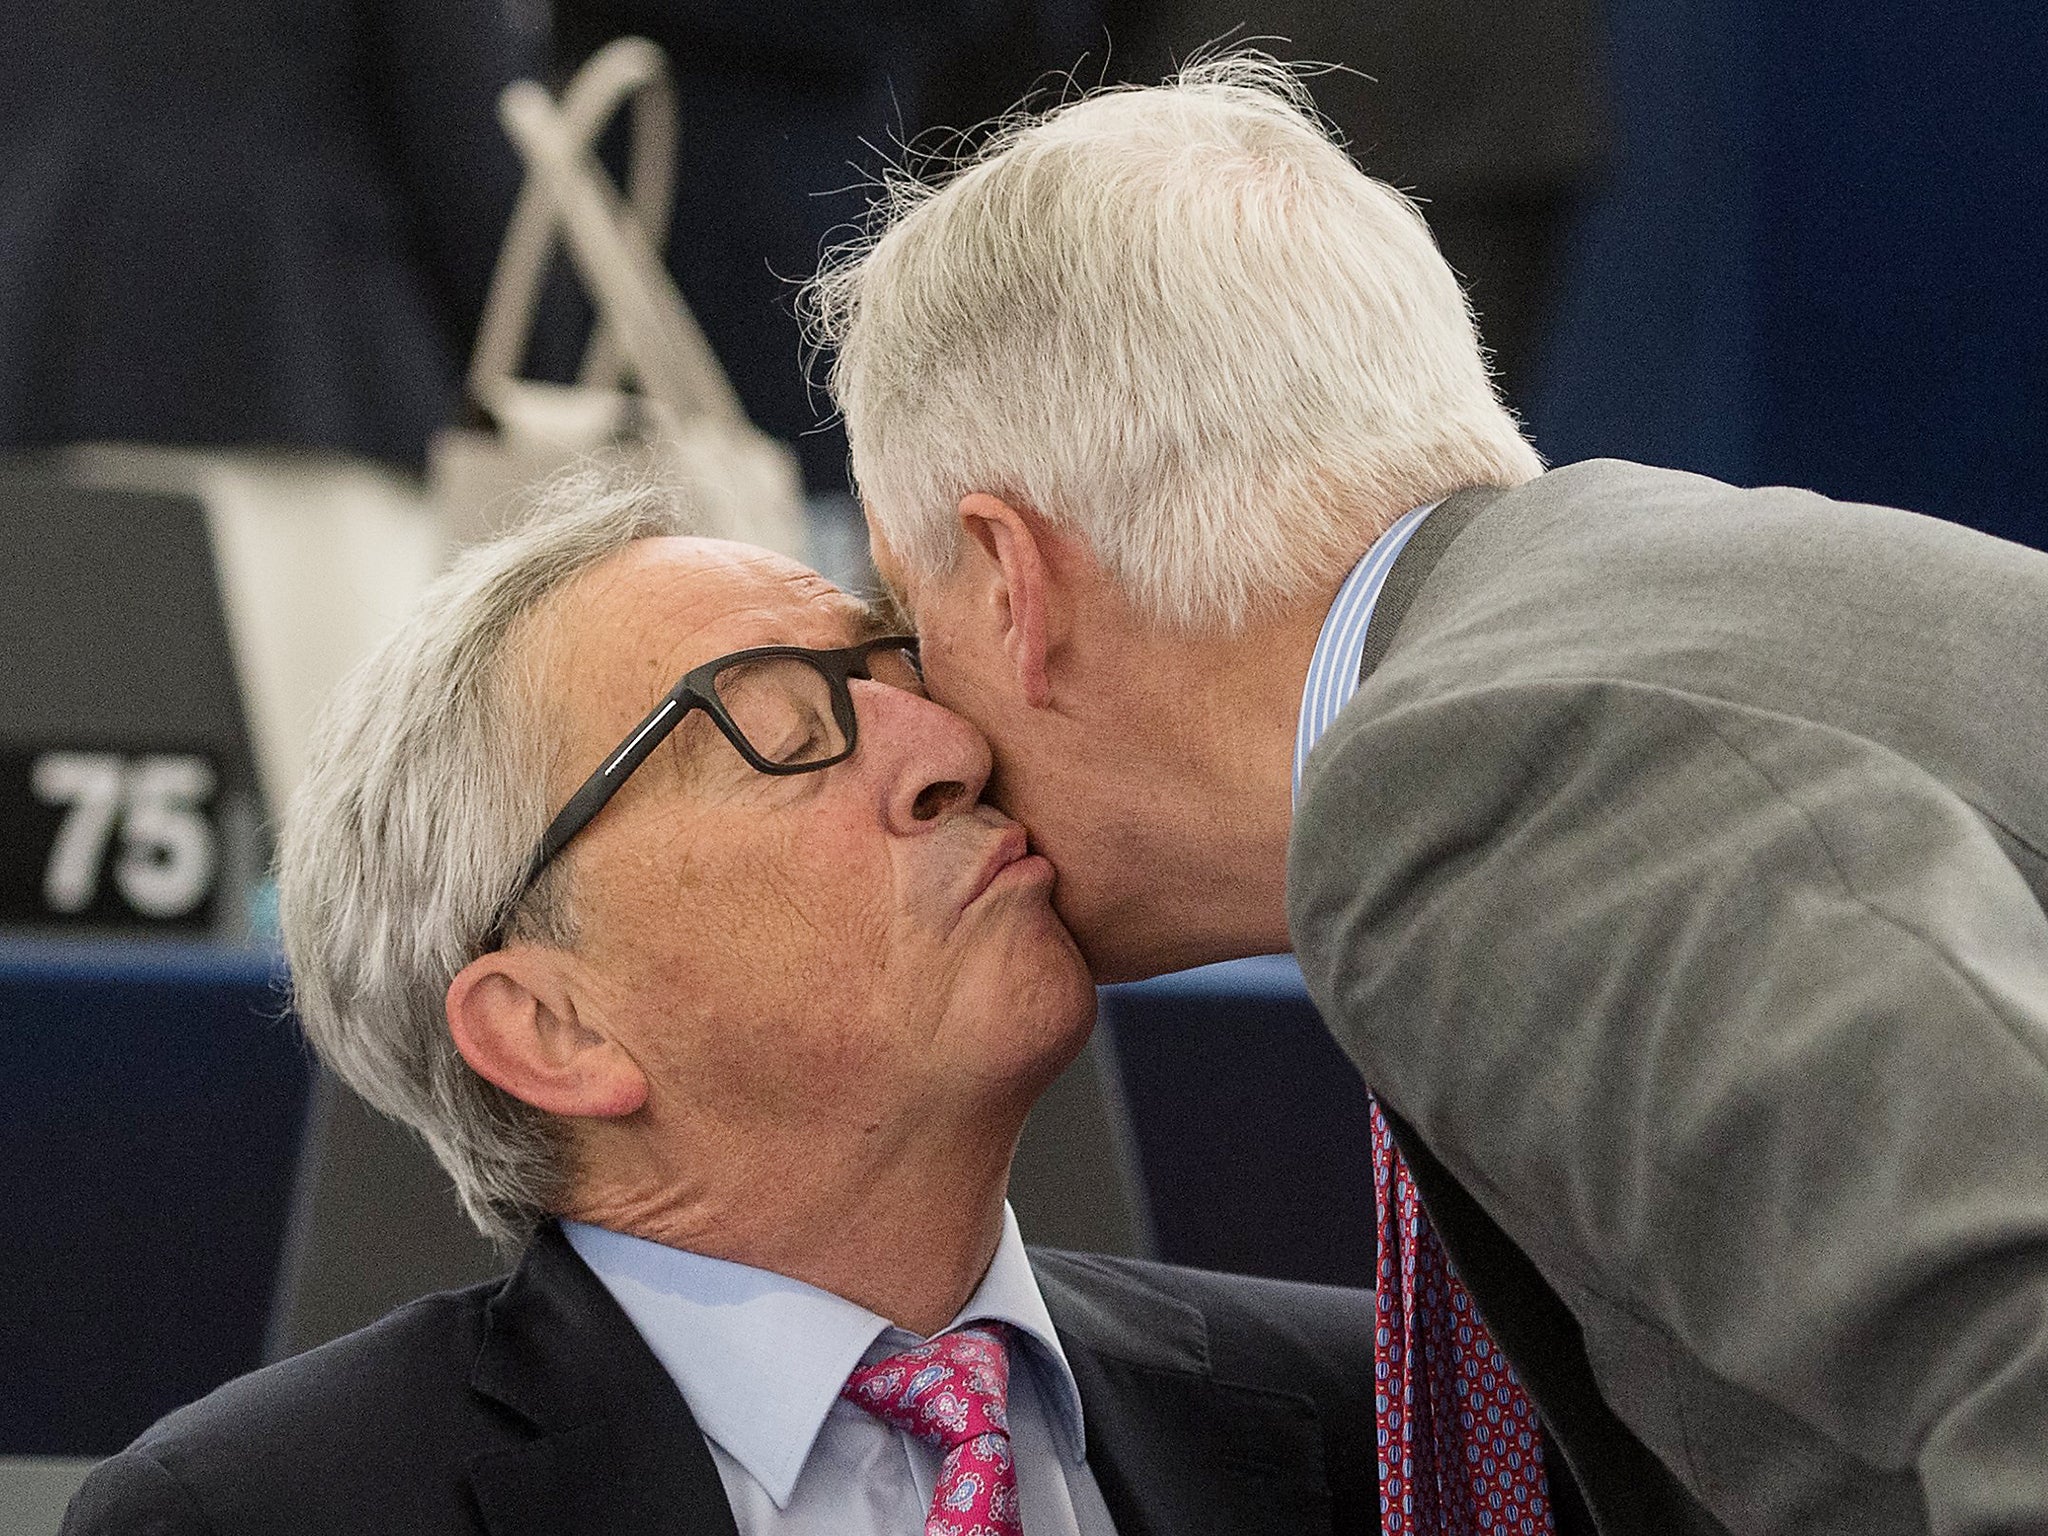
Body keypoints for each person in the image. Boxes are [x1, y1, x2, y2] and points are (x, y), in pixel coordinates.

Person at [805, 53, 2048, 1536]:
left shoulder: (1470, 778)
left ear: (1013, 584)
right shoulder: (1602, 616)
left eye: (908, 622)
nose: (925, 728)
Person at [61, 473, 1378, 1535]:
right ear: (553, 1027)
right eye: (781, 725)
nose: (952, 751)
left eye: (902, 674)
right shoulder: (263, 1513)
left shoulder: (1386, 1421)